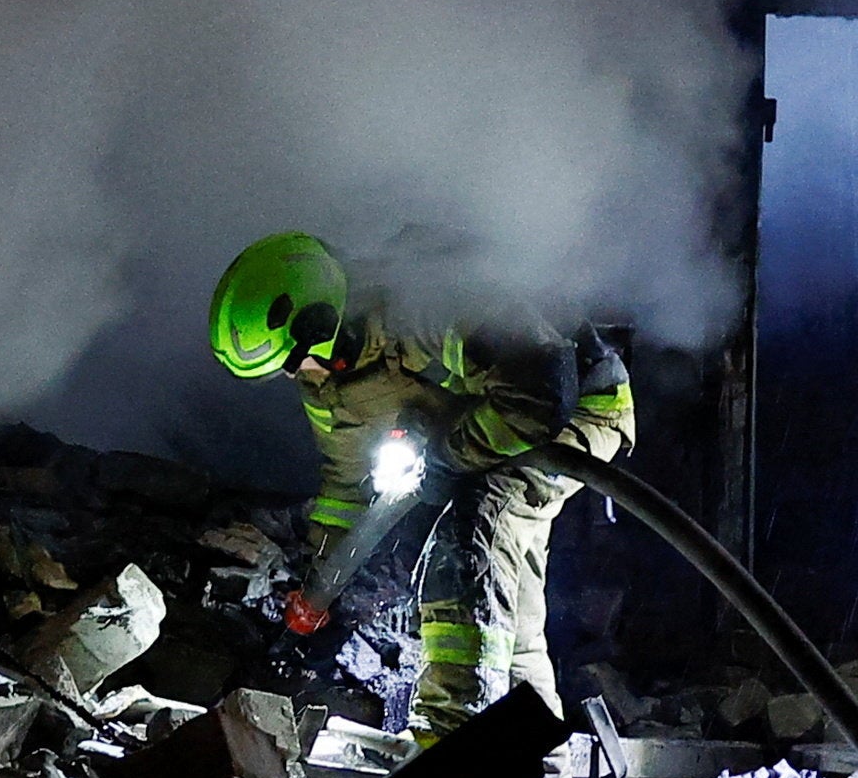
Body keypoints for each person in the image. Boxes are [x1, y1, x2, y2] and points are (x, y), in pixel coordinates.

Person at [209, 231, 631, 737]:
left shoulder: (424, 304)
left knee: (470, 525)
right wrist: (322, 597)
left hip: (574, 412)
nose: (292, 374)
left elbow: (542, 388)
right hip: (496, 421)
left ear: (320, 322)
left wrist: (450, 457)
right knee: (510, 620)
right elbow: (346, 488)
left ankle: (453, 746)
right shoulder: (326, 381)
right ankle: (537, 773)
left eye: (290, 360)